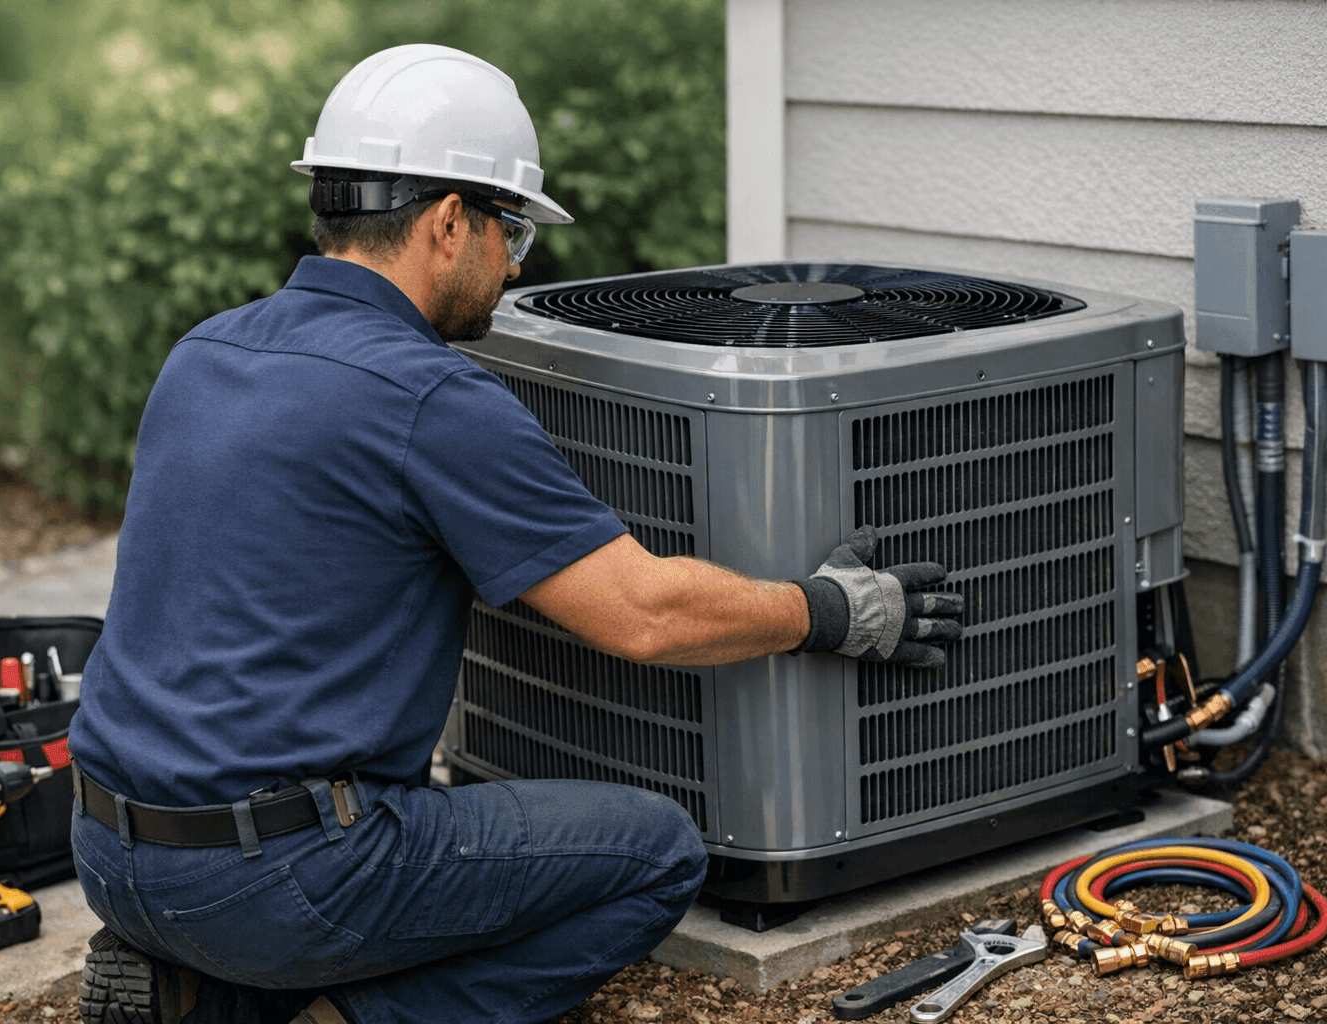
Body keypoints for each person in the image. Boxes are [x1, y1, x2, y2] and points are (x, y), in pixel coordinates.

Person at [67, 44, 963, 1024]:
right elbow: (643, 613)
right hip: (285, 878)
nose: (517, 264)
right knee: (656, 853)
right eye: (514, 233)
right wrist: (826, 609)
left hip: (109, 854)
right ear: (451, 222)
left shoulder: (205, 347)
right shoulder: (428, 395)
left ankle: (199, 989)